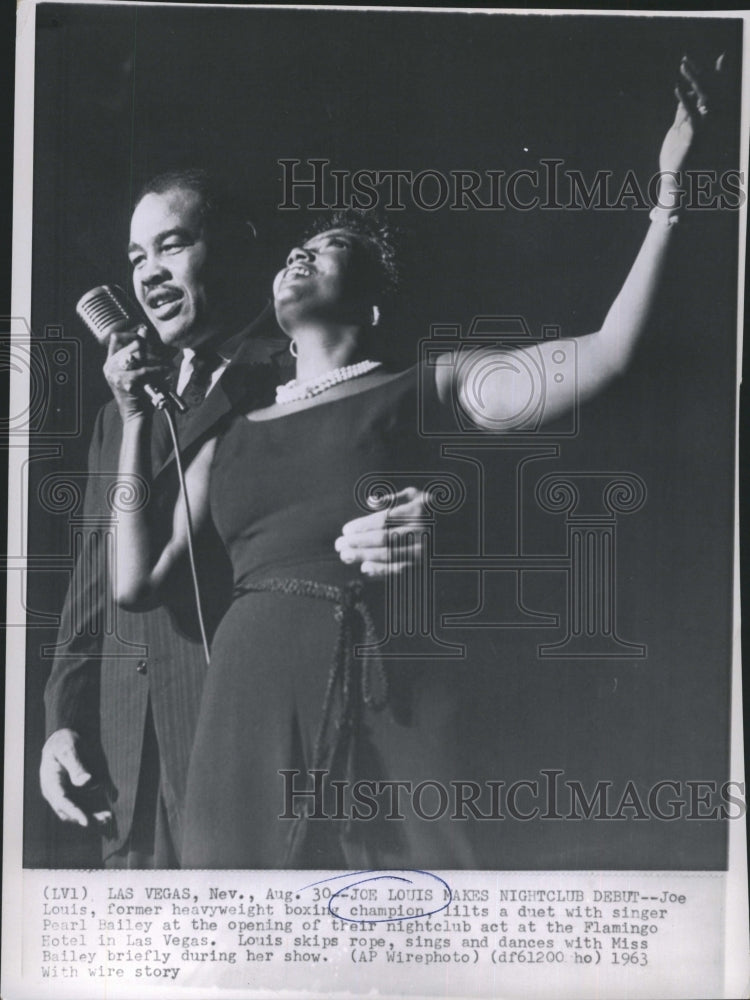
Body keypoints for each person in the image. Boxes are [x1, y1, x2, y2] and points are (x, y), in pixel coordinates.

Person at [111, 58, 722, 869]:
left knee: (425, 904)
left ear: (371, 299)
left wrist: (669, 196)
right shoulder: (231, 432)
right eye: (298, 245)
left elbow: (609, 356)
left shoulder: (426, 384)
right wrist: (128, 422)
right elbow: (134, 582)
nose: (304, 252)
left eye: (331, 247)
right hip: (248, 698)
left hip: (386, 686)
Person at [40, 169, 430, 867]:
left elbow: (405, 460)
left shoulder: (303, 372)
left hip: (248, 735)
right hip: (127, 770)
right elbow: (94, 580)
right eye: (136, 259)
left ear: (227, 249)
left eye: (173, 246)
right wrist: (62, 720)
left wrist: (436, 514)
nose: (150, 273)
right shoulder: (115, 413)